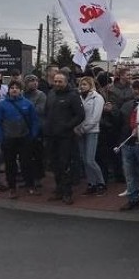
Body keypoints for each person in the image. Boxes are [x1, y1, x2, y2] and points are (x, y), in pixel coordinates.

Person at [0, 79, 40, 198]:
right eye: (12, 88)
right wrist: (0, 137)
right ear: (8, 90)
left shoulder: (28, 104)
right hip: (8, 139)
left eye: (16, 88)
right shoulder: (2, 105)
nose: (14, 89)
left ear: (21, 90)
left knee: (26, 163)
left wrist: (33, 135)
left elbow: (35, 121)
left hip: (24, 138)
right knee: (10, 164)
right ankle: (12, 188)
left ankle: (30, 185)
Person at [44, 71, 86, 204]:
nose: (57, 84)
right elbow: (47, 112)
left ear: (66, 82)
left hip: (66, 137)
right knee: (55, 165)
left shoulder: (73, 96)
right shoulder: (50, 94)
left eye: (60, 81)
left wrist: (67, 126)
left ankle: (67, 193)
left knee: (65, 165)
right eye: (55, 81)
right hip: (51, 136)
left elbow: (80, 115)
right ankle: (59, 190)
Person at [118, 80, 139, 211]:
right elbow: (119, 121)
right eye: (135, 88)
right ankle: (133, 200)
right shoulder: (127, 105)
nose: (137, 91)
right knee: (130, 174)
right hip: (127, 142)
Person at [75, 76, 106, 196]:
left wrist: (83, 129)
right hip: (79, 131)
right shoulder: (78, 97)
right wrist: (77, 128)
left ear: (91, 85)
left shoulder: (97, 98)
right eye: (81, 84)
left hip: (91, 131)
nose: (82, 86)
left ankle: (101, 183)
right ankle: (91, 183)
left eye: (85, 84)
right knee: (84, 160)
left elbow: (95, 118)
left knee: (90, 159)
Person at [23, 74, 47, 187]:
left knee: (37, 154)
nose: (34, 83)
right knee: (25, 155)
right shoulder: (22, 94)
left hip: (37, 128)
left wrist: (25, 109)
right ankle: (27, 178)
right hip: (23, 128)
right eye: (31, 81)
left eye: (36, 80)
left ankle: (38, 178)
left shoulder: (41, 95)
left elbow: (40, 110)